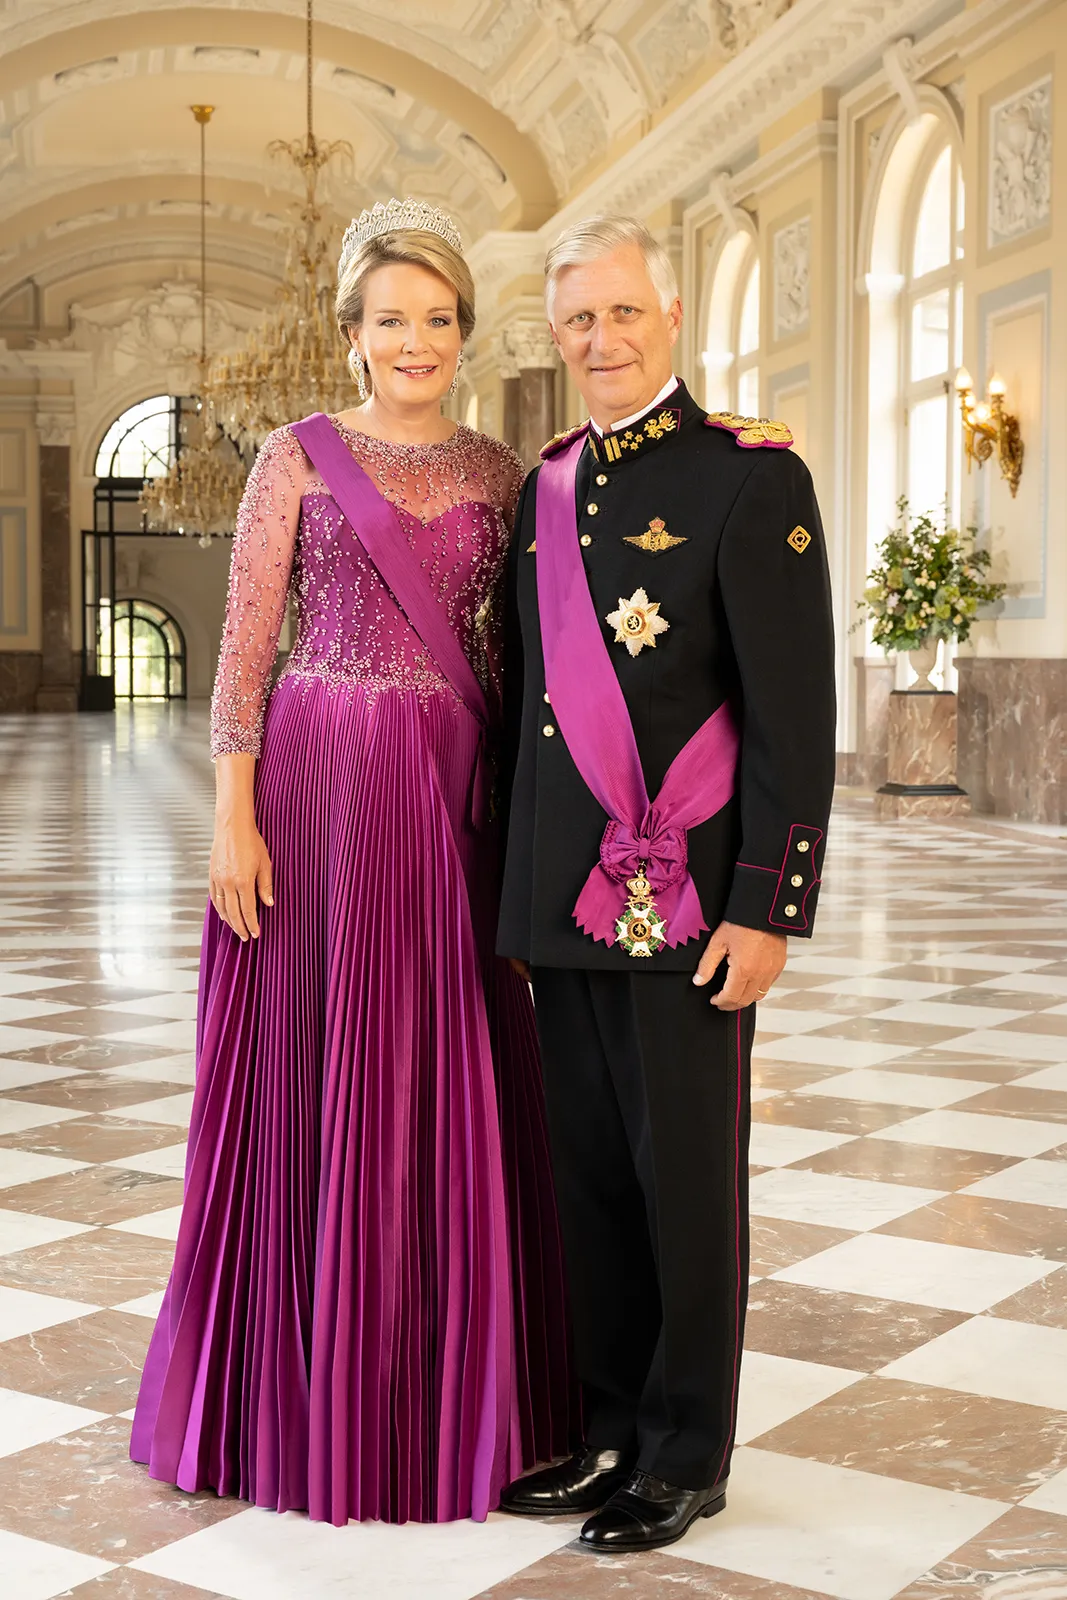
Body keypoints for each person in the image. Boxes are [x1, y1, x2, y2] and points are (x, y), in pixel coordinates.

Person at [131, 198, 576, 1527]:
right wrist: (232, 814)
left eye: (438, 318)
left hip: (447, 801)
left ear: (461, 331)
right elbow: (246, 643)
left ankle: (452, 1396)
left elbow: (516, 663)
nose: (417, 339)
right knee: (312, 1069)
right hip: (314, 794)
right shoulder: (298, 457)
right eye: (393, 319)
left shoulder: (505, 475)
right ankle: (292, 1398)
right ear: (351, 333)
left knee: (444, 1072)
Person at [497, 215, 836, 1553]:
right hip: (564, 904)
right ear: (554, 329)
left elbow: (792, 714)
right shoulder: (543, 485)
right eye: (577, 318)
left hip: (691, 900)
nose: (602, 338)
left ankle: (685, 1448)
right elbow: (529, 704)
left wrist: (767, 904)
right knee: (583, 1175)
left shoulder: (748, 476)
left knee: (683, 1177)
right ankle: (602, 1426)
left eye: (622, 313)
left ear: (671, 315)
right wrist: (516, 900)